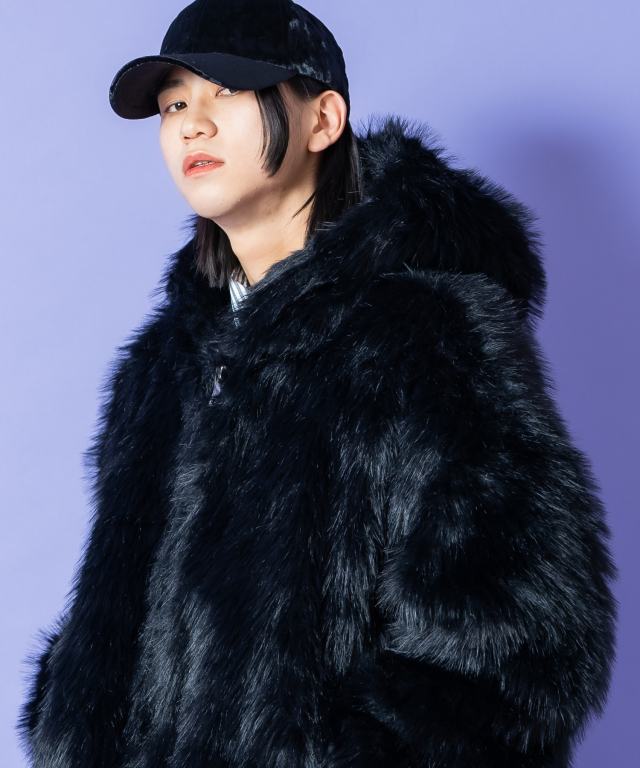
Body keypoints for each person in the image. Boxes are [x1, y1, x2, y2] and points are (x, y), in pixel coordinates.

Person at [17, 1, 618, 766]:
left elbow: (520, 650)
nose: (191, 125)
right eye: (173, 105)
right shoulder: (163, 368)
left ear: (323, 119)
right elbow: (111, 632)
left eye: (226, 91)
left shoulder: (422, 337)